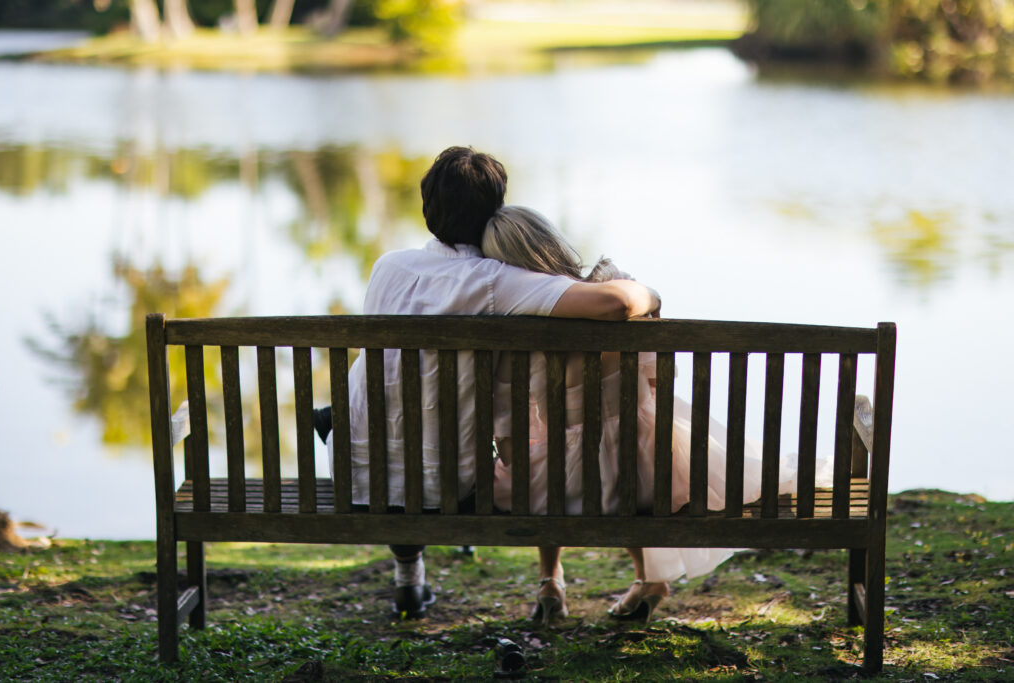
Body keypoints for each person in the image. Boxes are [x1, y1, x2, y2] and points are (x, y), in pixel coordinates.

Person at [321, 148, 661, 619]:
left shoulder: (387, 266)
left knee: (399, 430)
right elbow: (617, 304)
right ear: (493, 213)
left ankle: (409, 575)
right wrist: (650, 294)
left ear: (426, 206)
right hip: (446, 486)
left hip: (362, 473)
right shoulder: (496, 281)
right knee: (438, 449)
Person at [483, 205, 787, 623]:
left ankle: (550, 579)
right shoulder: (615, 286)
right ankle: (649, 580)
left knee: (545, 460)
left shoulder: (513, 323)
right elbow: (660, 379)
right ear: (551, 239)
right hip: (648, 472)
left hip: (563, 487)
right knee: (622, 453)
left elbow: (508, 428)